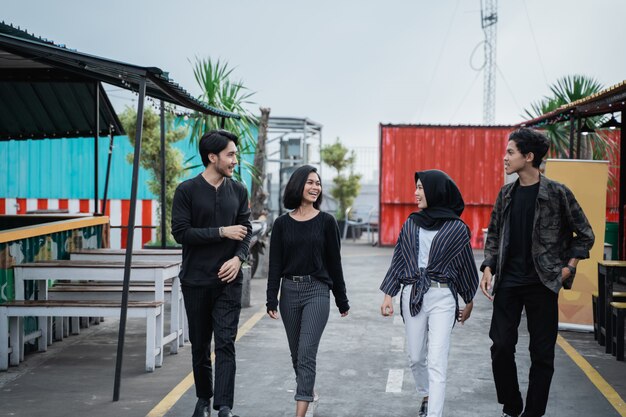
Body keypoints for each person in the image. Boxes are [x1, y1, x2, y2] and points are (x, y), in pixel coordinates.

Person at [479, 127, 595, 417]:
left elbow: (584, 234)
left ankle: (533, 412)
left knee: (541, 354)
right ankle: (512, 403)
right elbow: (493, 234)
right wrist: (489, 266)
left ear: (528, 157)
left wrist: (568, 269)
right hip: (508, 282)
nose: (505, 158)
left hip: (543, 283)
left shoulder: (557, 193)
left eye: (510, 152)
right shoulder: (506, 194)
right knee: (501, 346)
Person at [380, 169, 479, 417]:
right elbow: (399, 260)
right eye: (416, 187)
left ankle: (434, 413)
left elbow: (466, 265)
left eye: (421, 188)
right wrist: (388, 295)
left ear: (436, 191)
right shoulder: (412, 223)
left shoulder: (457, 229)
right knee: (416, 357)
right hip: (412, 293)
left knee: (437, 360)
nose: (415, 193)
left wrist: (468, 300)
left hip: (443, 297)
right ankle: (426, 392)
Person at [172, 130, 252, 417]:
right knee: (200, 344)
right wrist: (221, 232)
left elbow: (247, 230)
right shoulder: (187, 190)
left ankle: (224, 407)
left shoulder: (239, 190)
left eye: (235, 154)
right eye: (230, 154)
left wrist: (239, 259)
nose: (235, 160)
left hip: (229, 280)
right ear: (212, 157)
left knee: (227, 342)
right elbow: (181, 233)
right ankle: (204, 398)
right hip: (195, 280)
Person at [266, 165, 350, 417]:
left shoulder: (326, 222)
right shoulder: (281, 224)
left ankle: (300, 412)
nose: (316, 187)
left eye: (318, 183)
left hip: (317, 291)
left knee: (306, 353)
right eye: (310, 182)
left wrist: (341, 299)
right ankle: (308, 390)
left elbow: (335, 262)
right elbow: (275, 264)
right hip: (289, 291)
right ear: (298, 185)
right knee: (296, 355)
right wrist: (271, 297)